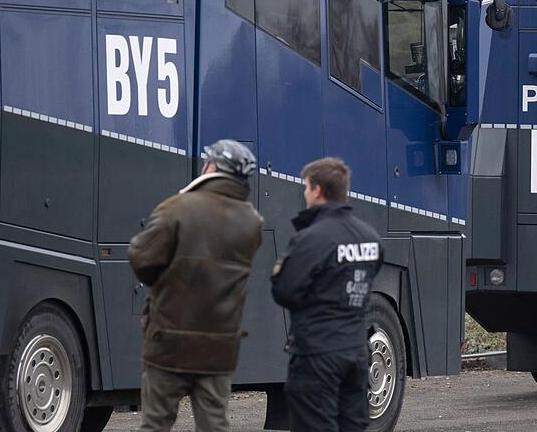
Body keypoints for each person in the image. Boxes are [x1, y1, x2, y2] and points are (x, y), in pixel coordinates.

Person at [128, 139, 264, 432]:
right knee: (214, 426)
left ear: (212, 167)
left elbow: (141, 257)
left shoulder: (176, 208)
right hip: (219, 348)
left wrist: (162, 283)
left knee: (155, 424)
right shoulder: (252, 223)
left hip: (168, 341)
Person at [271, 157, 383, 432]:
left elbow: (285, 291)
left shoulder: (311, 239)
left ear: (318, 190)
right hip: (356, 352)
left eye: (306, 187)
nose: (305, 193)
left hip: (317, 354)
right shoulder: (369, 237)